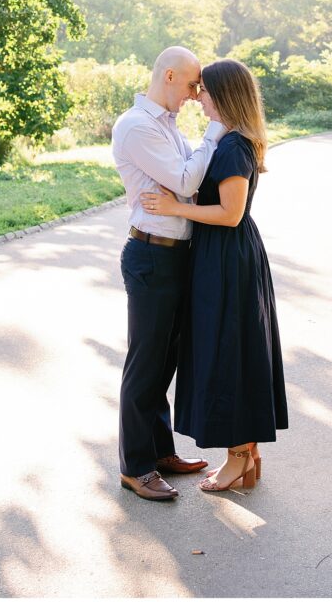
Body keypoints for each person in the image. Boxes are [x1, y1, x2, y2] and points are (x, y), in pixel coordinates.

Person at [141, 58, 288, 492]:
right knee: (233, 350)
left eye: (203, 90)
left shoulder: (234, 146)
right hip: (223, 256)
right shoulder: (229, 141)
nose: (197, 96)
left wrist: (174, 208)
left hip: (228, 259)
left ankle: (238, 458)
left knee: (227, 355)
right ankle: (249, 456)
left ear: (223, 96)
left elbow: (230, 213)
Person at [111, 46, 227, 501]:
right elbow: (185, 182)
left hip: (176, 255)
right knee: (145, 365)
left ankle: (160, 452)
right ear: (171, 75)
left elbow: (185, 184)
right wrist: (215, 131)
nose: (198, 94)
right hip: (151, 256)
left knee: (164, 363)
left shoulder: (167, 126)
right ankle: (135, 467)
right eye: (195, 84)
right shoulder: (137, 126)